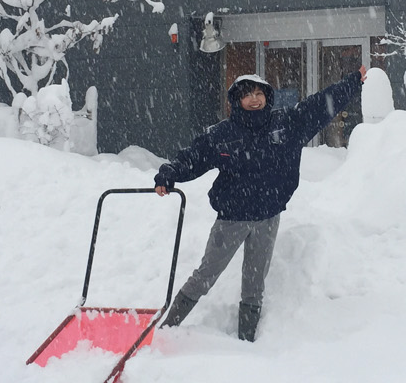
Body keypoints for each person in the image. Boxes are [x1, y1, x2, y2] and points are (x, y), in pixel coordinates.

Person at [153, 66, 366, 341]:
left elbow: (319, 106)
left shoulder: (286, 124)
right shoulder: (223, 134)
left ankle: (247, 341)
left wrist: (350, 84)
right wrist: (170, 174)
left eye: (258, 93)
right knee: (206, 274)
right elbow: (193, 157)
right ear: (236, 101)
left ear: (267, 97)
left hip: (268, 218)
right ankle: (167, 327)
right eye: (247, 95)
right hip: (231, 219)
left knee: (254, 285)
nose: (254, 99)